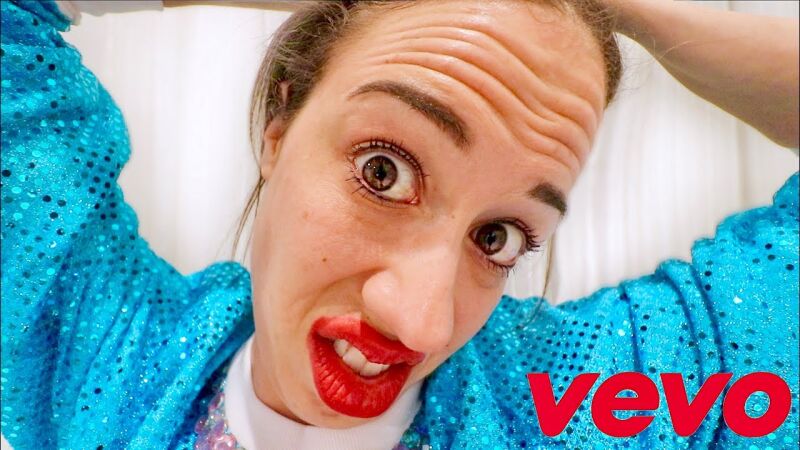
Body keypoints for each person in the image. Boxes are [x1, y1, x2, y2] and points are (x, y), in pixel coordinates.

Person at [1, 0, 797, 449]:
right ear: (279, 127)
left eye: (497, 237)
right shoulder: (92, 346)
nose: (420, 321)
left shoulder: (591, 402)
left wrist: (623, 5)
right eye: (384, 173)